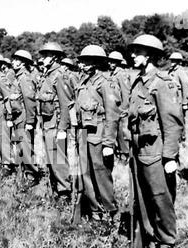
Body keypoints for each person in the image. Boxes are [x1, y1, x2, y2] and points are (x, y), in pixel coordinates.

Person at [128, 34, 184, 248]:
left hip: (157, 154)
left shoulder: (163, 82)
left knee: (162, 202)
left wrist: (170, 157)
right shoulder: (138, 81)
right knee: (144, 201)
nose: (133, 55)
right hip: (140, 152)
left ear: (149, 55)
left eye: (138, 51)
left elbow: (172, 123)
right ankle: (151, 240)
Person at [73, 45, 120, 223]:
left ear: (96, 62)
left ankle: (110, 212)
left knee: (101, 176)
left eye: (85, 60)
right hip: (84, 134)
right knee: (86, 175)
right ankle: (94, 211)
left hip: (99, 137)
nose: (81, 63)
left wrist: (108, 143)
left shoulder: (105, 83)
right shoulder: (84, 81)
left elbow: (112, 115)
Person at [37, 42, 72, 202]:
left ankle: (64, 193)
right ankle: (56, 192)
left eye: (46, 55)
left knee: (59, 162)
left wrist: (62, 128)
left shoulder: (59, 75)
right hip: (47, 124)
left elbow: (65, 104)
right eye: (43, 55)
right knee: (51, 161)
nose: (42, 58)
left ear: (55, 57)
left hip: (56, 125)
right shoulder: (47, 75)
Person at [11, 49, 40, 185]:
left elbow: (29, 100)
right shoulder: (18, 77)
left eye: (17, 60)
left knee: (26, 147)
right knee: (21, 147)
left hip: (23, 117)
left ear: (23, 63)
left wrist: (30, 120)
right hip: (18, 116)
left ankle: (31, 175)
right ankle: (24, 173)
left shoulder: (24, 78)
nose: (13, 62)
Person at [108, 51, 131, 162]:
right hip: (115, 110)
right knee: (117, 134)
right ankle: (120, 154)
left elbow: (126, 93)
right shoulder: (113, 74)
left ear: (118, 62)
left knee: (123, 133)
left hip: (122, 110)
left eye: (113, 62)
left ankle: (125, 156)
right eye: (110, 61)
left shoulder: (121, 74)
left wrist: (124, 109)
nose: (110, 63)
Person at [168, 52, 188, 142]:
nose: (172, 62)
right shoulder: (171, 71)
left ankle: (183, 135)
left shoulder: (180, 71)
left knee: (181, 118)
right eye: (172, 60)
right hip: (172, 98)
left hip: (179, 99)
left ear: (179, 61)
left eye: (175, 60)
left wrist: (185, 102)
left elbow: (185, 85)